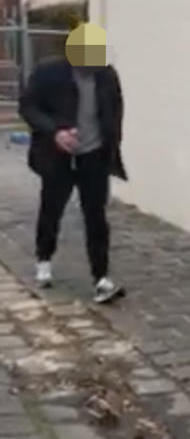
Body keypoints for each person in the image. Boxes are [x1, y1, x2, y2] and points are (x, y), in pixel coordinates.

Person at [17, 22, 126, 304]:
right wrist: (55, 131)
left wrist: (111, 143)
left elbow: (115, 109)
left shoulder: (106, 75)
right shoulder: (49, 72)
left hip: (94, 155)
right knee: (52, 209)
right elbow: (28, 106)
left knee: (96, 216)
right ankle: (44, 259)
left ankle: (101, 277)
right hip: (58, 156)